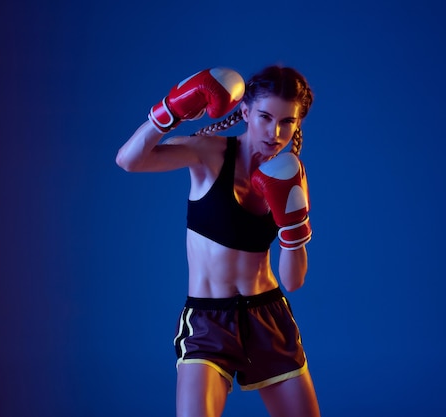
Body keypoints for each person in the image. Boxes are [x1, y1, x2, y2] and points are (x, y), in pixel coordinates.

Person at [115, 65, 321, 417]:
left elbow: (293, 280)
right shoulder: (209, 153)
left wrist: (294, 228)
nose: (275, 131)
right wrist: (170, 111)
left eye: (287, 121)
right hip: (209, 321)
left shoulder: (289, 175)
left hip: (267, 315)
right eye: (265, 116)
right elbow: (129, 161)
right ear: (245, 112)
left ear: (297, 124)